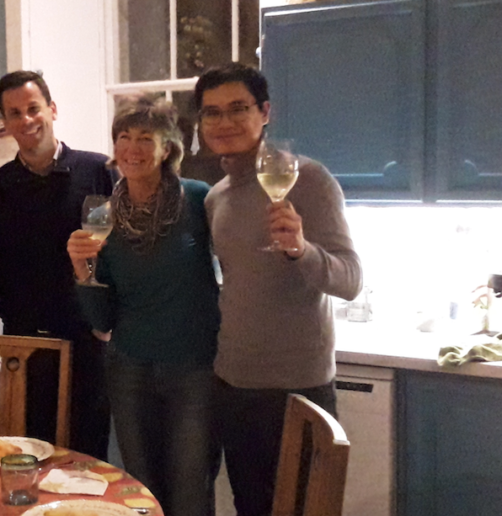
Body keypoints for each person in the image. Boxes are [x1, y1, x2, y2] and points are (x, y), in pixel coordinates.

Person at [196, 63, 363, 516]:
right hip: (234, 382)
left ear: (264, 112)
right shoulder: (216, 197)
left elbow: (350, 280)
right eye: (212, 112)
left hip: (297, 387)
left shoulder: (308, 179)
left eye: (238, 108)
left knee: (300, 509)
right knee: (251, 506)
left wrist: (300, 250)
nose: (225, 122)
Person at [67, 96, 219, 516]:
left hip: (193, 368)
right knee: (141, 492)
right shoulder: (103, 216)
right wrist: (82, 269)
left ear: (166, 149)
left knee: (190, 491)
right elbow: (102, 320)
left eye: (145, 138)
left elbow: (233, 269)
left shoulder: (198, 200)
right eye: (123, 137)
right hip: (129, 369)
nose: (132, 148)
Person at [0, 71, 114, 459]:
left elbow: (120, 257)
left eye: (33, 108)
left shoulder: (98, 171)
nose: (26, 120)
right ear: (5, 123)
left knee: (87, 459)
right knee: (26, 458)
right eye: (14, 113)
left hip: (86, 341)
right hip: (22, 345)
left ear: (52, 109)